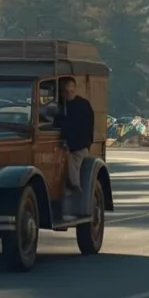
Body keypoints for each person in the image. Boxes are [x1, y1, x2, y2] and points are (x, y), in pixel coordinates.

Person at [54, 77, 94, 211]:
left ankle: (75, 187)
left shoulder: (83, 105)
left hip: (78, 146)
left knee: (70, 162)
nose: (68, 93)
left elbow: (87, 127)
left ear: (75, 89)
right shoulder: (58, 106)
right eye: (65, 91)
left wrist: (74, 145)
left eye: (71, 90)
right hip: (62, 146)